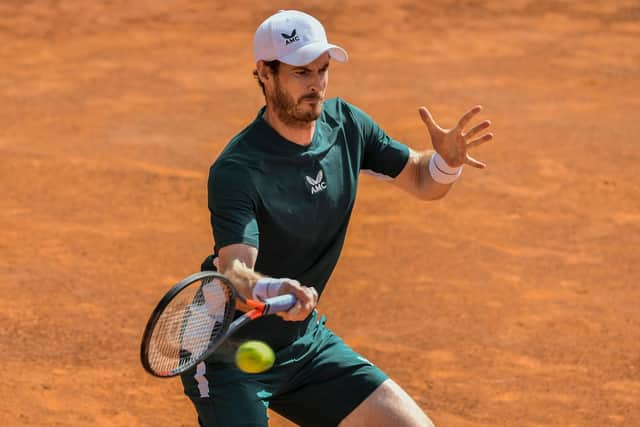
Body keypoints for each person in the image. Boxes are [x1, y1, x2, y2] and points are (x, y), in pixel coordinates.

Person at [180, 9, 493, 427]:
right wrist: (277, 288)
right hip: (226, 353)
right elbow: (235, 273)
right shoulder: (239, 168)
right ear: (265, 74)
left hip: (303, 343)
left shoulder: (345, 126)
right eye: (300, 72)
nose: (315, 84)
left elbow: (421, 179)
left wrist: (445, 163)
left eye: (323, 70)